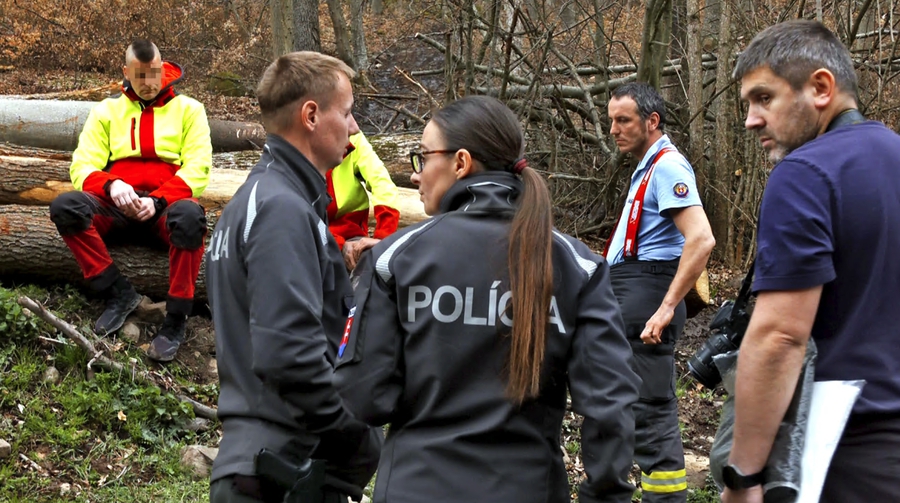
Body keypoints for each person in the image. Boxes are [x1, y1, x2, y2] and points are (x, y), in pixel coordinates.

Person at [333, 95, 641, 503]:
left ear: (461, 163)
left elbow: (361, 396)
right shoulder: (576, 264)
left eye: (422, 158)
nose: (416, 176)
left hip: (418, 486)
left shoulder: (395, 258)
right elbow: (610, 403)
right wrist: (605, 494)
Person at [722, 20, 900, 503]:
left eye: (764, 99)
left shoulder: (804, 174)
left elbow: (780, 336)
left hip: (844, 449)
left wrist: (743, 476)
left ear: (821, 87)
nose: (750, 119)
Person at [205, 51, 381, 503]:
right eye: (346, 112)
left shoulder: (255, 201)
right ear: (310, 115)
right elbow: (288, 354)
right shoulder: (281, 208)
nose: (354, 127)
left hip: (265, 462)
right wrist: (357, 435)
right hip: (282, 472)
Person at [48, 39, 211, 362]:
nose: (149, 83)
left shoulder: (190, 110)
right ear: (126, 72)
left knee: (192, 218)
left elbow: (199, 168)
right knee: (65, 207)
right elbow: (81, 166)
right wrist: (111, 185)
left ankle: (176, 319)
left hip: (165, 211)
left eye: (154, 74)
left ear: (163, 68)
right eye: (140, 76)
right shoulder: (106, 111)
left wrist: (160, 200)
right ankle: (118, 294)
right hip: (117, 210)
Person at [604, 82, 715, 502]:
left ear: (652, 121)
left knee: (650, 415)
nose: (613, 129)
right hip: (630, 293)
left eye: (623, 120)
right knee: (627, 409)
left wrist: (666, 306)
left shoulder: (668, 167)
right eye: (611, 119)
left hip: (647, 296)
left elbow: (701, 239)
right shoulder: (647, 168)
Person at [327, 131, 400, 271]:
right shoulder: (292, 147)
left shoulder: (353, 136)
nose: (354, 126)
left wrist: (383, 239)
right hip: (310, 240)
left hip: (351, 235)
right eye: (345, 114)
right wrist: (338, 244)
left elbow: (382, 184)